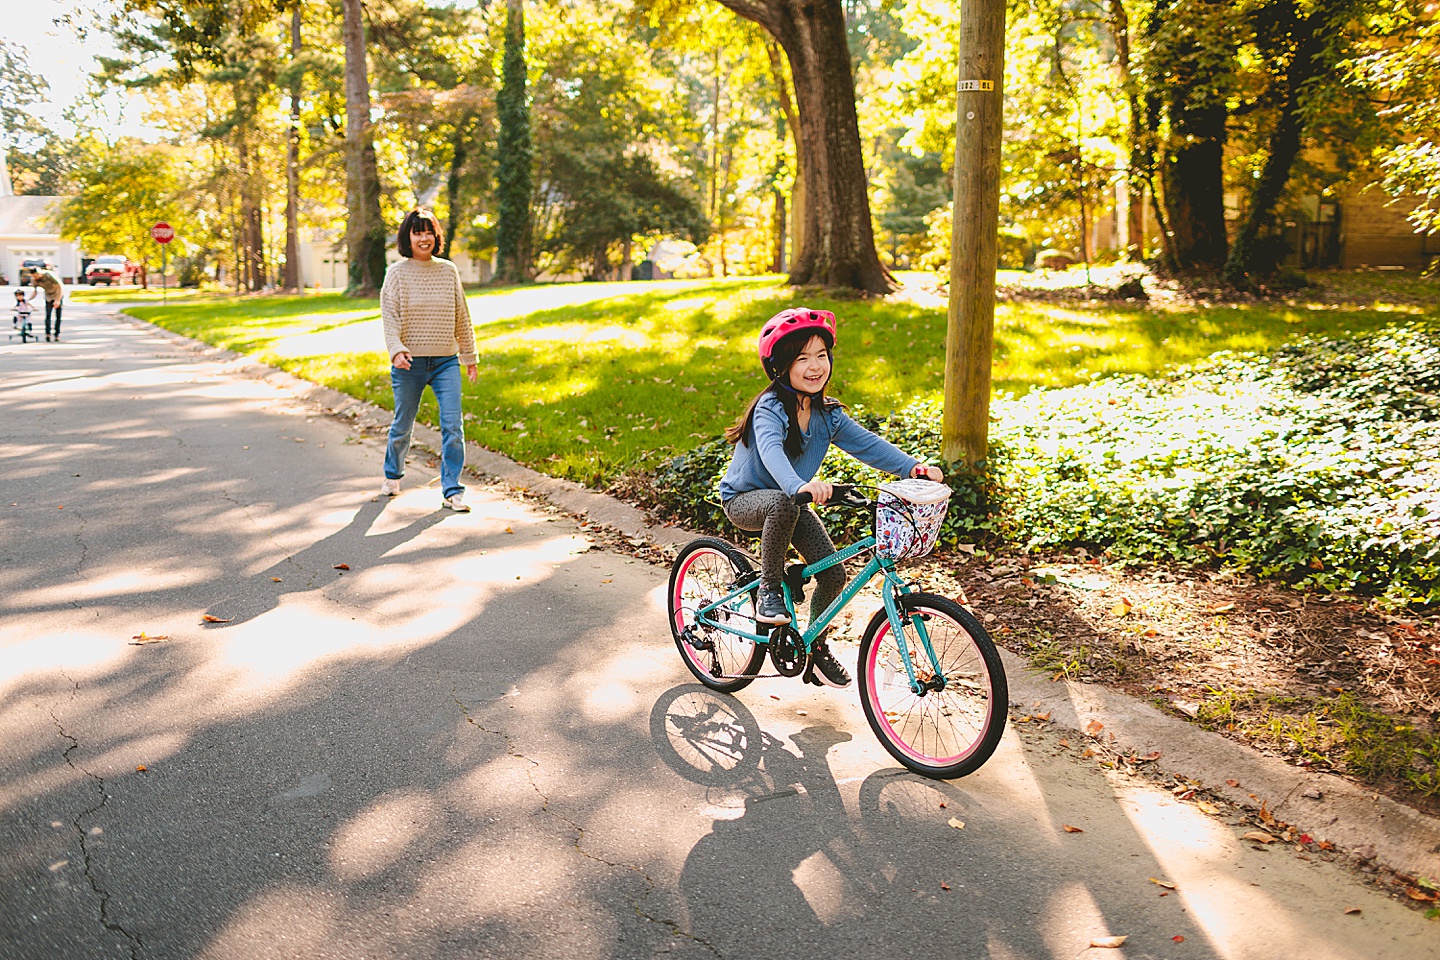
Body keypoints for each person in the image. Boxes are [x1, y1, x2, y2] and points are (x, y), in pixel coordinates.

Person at [718, 307, 945, 688]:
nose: (814, 366)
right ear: (780, 367)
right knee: (780, 502)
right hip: (747, 500)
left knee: (834, 574)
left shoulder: (828, 414)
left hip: (792, 500)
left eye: (821, 356)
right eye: (802, 358)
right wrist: (798, 486)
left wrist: (913, 468)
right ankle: (770, 590)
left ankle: (815, 649)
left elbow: (869, 446)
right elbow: (772, 452)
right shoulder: (770, 409)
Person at [379, 208, 478, 512]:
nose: (424, 238)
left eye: (429, 232)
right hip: (409, 363)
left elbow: (461, 314)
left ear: (436, 236)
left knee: (453, 426)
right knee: (402, 425)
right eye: (417, 232)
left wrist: (469, 355)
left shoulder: (448, 270)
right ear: (407, 237)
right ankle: (392, 474)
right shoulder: (396, 273)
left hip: (446, 360)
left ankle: (452, 490)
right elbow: (389, 317)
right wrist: (396, 350)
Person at [29, 266, 64, 341]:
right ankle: (47, 334)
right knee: (48, 315)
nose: (35, 277)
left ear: (39, 273)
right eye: (33, 276)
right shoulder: (34, 280)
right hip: (48, 295)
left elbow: (60, 286)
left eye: (35, 275)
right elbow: (35, 291)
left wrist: (58, 300)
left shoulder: (48, 275)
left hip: (57, 293)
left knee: (58, 316)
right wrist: (28, 300)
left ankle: (57, 334)